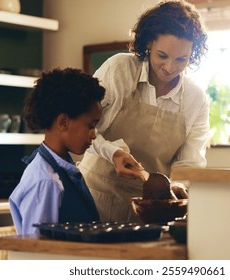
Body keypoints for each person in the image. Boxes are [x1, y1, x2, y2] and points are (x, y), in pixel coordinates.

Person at [78, 0, 209, 222]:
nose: (170, 67)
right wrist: (113, 153)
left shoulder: (196, 98)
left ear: (192, 53)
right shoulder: (119, 69)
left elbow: (189, 163)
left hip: (149, 211)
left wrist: (176, 187)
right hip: (94, 197)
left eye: (181, 59)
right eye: (162, 56)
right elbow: (82, 124)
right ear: (148, 44)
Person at [9, 68, 105, 235]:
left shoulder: (63, 170)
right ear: (63, 122)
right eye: (90, 126)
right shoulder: (46, 181)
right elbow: (36, 249)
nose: (94, 134)